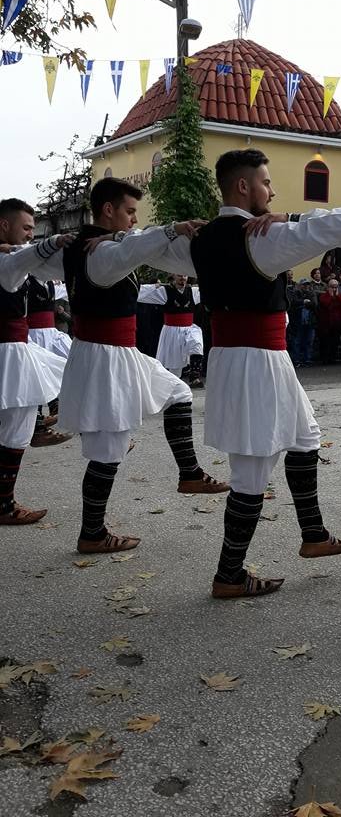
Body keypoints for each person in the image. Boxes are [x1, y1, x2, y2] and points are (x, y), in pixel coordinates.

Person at [184, 148, 341, 599]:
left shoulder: (203, 237)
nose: (272, 190)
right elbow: (327, 226)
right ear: (243, 186)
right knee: (252, 473)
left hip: (253, 358)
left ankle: (312, 534)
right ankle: (229, 575)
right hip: (254, 361)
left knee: (305, 437)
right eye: (266, 181)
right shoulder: (257, 237)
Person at [34, 177, 229, 554]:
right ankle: (92, 533)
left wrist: (49, 242)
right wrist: (172, 229)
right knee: (108, 448)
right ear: (108, 210)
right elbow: (137, 245)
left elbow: (130, 244)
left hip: (116, 351)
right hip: (105, 356)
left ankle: (188, 473)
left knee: (179, 391)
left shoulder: (90, 246)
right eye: (129, 211)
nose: (133, 220)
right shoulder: (101, 252)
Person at [0, 199, 75, 525]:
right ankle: (4, 505)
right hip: (9, 350)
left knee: (66, 370)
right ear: (5, 225)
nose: (31, 234)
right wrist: (56, 242)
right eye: (27, 228)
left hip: (15, 346)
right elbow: (29, 256)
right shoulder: (9, 261)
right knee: (16, 427)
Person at [26, 275, 74, 446]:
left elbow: (70, 289)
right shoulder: (26, 280)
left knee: (69, 366)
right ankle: (38, 424)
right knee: (36, 378)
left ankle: (53, 408)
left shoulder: (49, 283)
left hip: (50, 334)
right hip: (33, 334)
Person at [137, 274, 204, 383]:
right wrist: (154, 287)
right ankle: (171, 387)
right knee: (175, 368)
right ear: (173, 276)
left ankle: (194, 374)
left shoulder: (192, 291)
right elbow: (141, 292)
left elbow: (210, 291)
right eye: (179, 275)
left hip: (189, 329)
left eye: (185, 276)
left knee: (197, 344)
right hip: (173, 332)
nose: (183, 278)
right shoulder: (165, 291)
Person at [317, 277, 341, 363]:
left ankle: (332, 358)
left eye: (335, 287)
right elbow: (325, 303)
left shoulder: (340, 295)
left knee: (335, 341)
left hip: (337, 323)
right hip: (326, 324)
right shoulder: (324, 295)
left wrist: (337, 295)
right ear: (328, 287)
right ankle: (324, 358)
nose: (334, 289)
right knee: (325, 342)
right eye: (332, 287)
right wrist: (330, 295)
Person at [289, 278, 317, 366]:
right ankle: (297, 360)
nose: (306, 286)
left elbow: (314, 304)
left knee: (309, 341)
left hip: (310, 321)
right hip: (298, 321)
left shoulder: (311, 293)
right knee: (297, 342)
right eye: (304, 284)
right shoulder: (295, 293)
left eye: (307, 284)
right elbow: (293, 303)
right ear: (300, 285)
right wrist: (304, 301)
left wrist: (303, 303)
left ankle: (307, 359)